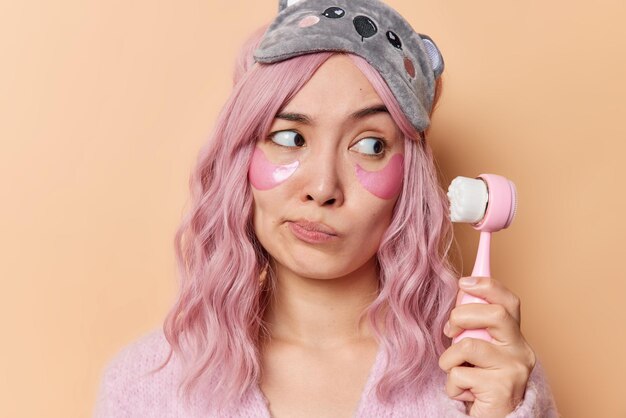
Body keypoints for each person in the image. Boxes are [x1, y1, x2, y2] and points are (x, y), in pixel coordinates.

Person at [94, 1, 559, 417]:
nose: (322, 188)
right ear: (241, 158)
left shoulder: (479, 373)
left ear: (410, 182)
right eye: (290, 138)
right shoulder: (142, 387)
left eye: (371, 145)